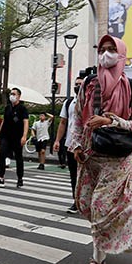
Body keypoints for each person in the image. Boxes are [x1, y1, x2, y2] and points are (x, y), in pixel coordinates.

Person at [70, 34, 132, 264]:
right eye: (102, 49)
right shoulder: (88, 84)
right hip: (89, 154)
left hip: (117, 158)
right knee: (86, 204)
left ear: (121, 54)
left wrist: (110, 120)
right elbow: (77, 117)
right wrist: (75, 144)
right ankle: (105, 247)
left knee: (100, 206)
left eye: (111, 50)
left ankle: (98, 262)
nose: (105, 54)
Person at [53, 75, 85, 214]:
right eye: (76, 84)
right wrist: (57, 140)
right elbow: (63, 122)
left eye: (80, 84)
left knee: (85, 175)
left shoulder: (90, 102)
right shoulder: (69, 102)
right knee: (73, 174)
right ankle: (76, 201)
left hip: (85, 145)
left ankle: (86, 201)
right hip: (70, 143)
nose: (77, 86)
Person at [0, 87, 29, 188]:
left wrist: (24, 136)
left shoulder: (22, 108)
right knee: (2, 154)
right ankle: (0, 178)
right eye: (11, 94)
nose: (12, 96)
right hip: (6, 136)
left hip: (17, 137)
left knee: (18, 157)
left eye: (14, 94)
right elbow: (4, 121)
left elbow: (26, 122)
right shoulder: (8, 108)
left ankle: (20, 178)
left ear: (19, 96)